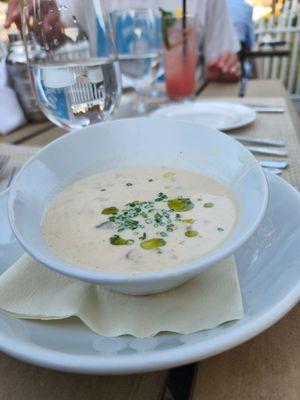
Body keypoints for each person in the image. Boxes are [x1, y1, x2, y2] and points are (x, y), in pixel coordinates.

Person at [5, 0, 241, 81]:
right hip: (108, 114)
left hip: (187, 110)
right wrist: (38, 22)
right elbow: (57, 35)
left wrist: (223, 68)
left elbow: (219, 62)